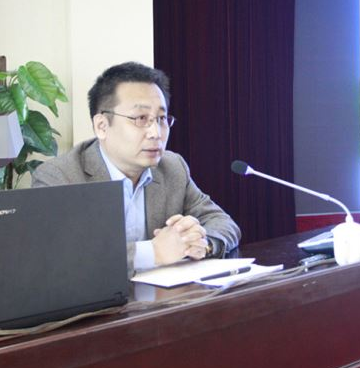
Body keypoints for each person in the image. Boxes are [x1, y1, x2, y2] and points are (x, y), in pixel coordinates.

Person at [32, 62, 241, 274]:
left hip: (162, 294)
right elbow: (58, 257)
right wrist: (153, 252)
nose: (156, 133)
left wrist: (201, 243)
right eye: (141, 118)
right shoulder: (60, 177)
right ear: (102, 126)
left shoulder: (172, 167)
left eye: (161, 119)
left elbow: (222, 222)